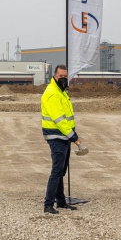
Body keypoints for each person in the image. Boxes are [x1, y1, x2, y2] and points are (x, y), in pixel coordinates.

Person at [41, 65, 82, 214]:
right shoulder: (52, 94)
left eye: (66, 76)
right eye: (61, 76)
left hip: (64, 135)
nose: (63, 79)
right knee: (57, 171)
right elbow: (59, 119)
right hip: (56, 135)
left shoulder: (61, 91)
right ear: (54, 76)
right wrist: (74, 137)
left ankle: (61, 201)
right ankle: (48, 204)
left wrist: (70, 135)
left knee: (61, 171)